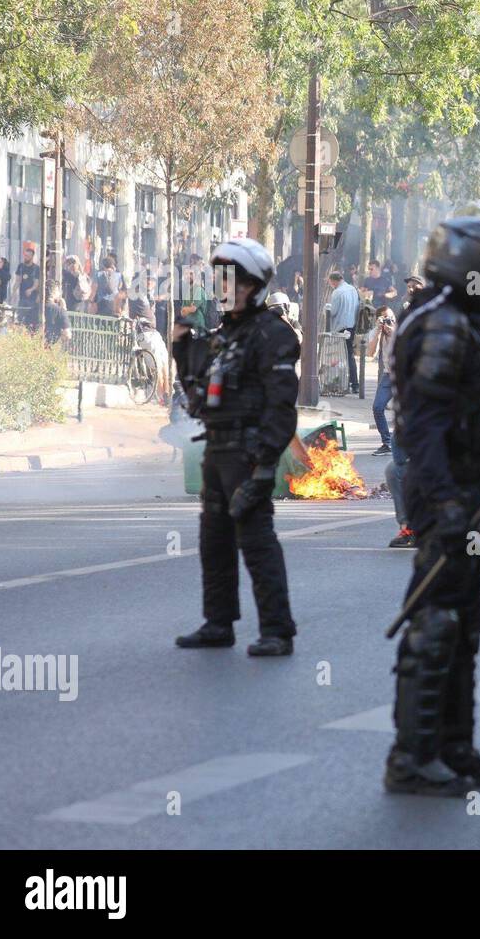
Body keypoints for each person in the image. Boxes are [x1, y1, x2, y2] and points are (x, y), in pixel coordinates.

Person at [384, 216, 480, 795]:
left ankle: (452, 745)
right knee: (436, 621)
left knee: (464, 619)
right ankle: (412, 757)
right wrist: (446, 502)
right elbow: (421, 427)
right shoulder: (441, 327)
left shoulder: (448, 314)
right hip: (443, 492)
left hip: (460, 491)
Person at [170, 237, 301, 657]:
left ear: (255, 284)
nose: (224, 288)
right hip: (216, 453)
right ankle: (218, 623)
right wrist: (180, 347)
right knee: (214, 540)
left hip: (247, 456)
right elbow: (197, 395)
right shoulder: (223, 336)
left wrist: (265, 468)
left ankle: (278, 631)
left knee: (257, 541)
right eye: (220, 279)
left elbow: (281, 407)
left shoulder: (272, 335)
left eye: (233, 281)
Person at [367, 305, 397, 455]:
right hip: (388, 375)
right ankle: (387, 443)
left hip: (404, 374)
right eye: (385, 318)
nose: (389, 321)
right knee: (378, 408)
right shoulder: (375, 331)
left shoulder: (401, 328)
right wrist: (379, 331)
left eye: (391, 317)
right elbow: (370, 353)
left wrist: (393, 333)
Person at [325, 269, 361, 394]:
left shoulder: (337, 292)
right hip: (351, 326)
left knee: (337, 355)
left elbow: (333, 312)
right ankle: (355, 383)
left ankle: (338, 383)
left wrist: (327, 308)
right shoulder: (353, 289)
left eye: (330, 282)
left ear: (334, 281)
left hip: (340, 327)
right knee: (350, 355)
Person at [12, 242, 42, 329]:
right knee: (20, 318)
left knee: (31, 319)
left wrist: (31, 289)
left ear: (32, 256)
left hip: (32, 298)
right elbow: (17, 280)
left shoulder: (36, 268)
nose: (26, 258)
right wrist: (14, 292)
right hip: (22, 297)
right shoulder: (21, 266)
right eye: (25, 256)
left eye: (28, 256)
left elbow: (37, 283)